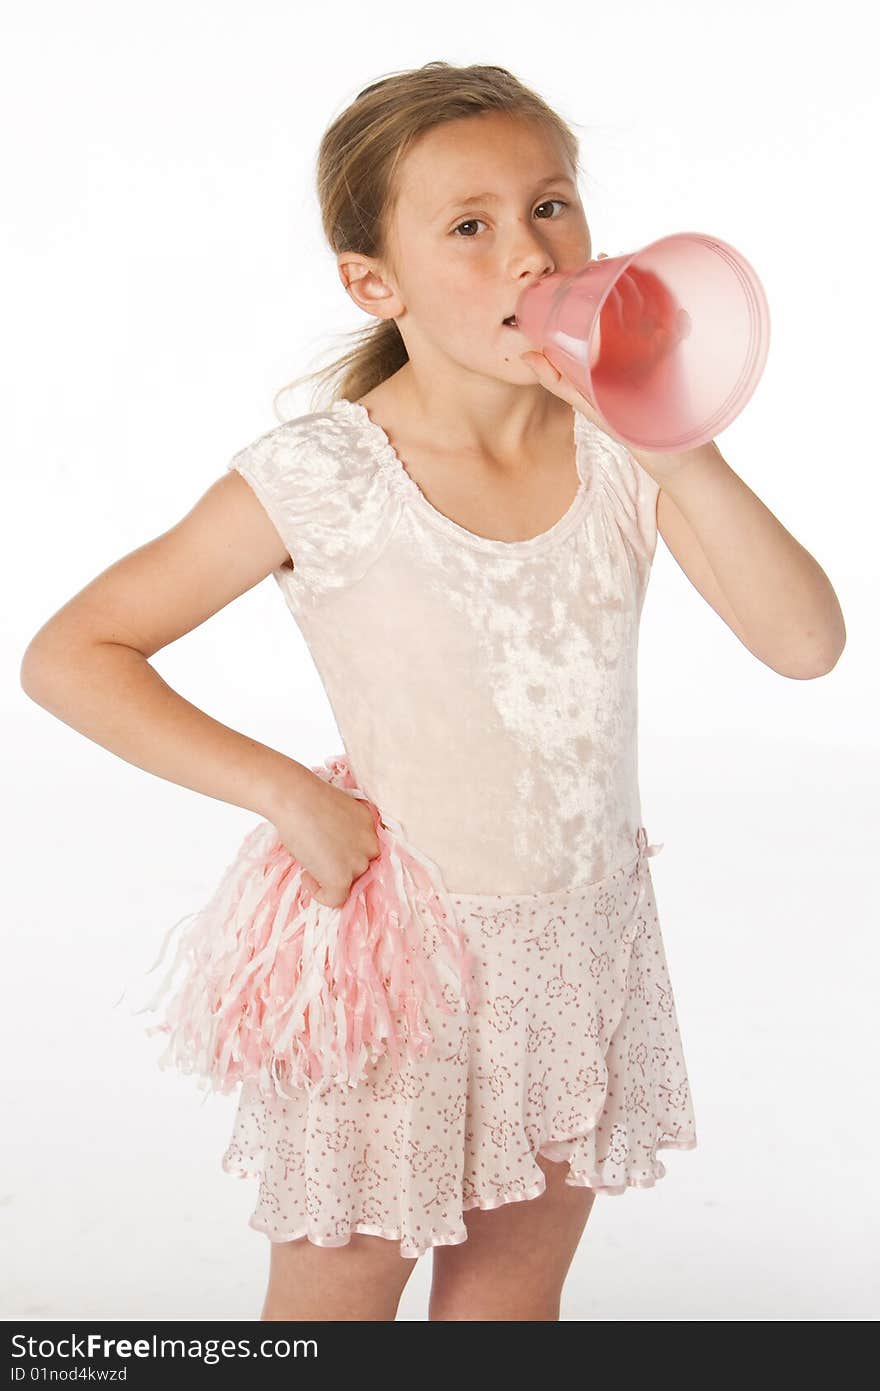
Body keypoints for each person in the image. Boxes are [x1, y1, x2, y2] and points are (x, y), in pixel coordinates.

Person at [20, 61, 846, 1323]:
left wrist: (678, 439)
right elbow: (73, 652)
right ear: (374, 281)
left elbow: (804, 644)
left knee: (512, 1295)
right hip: (402, 961)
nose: (528, 251)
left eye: (550, 206)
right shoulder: (323, 474)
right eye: (470, 226)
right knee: (333, 1300)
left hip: (577, 953)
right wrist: (286, 792)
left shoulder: (622, 449)